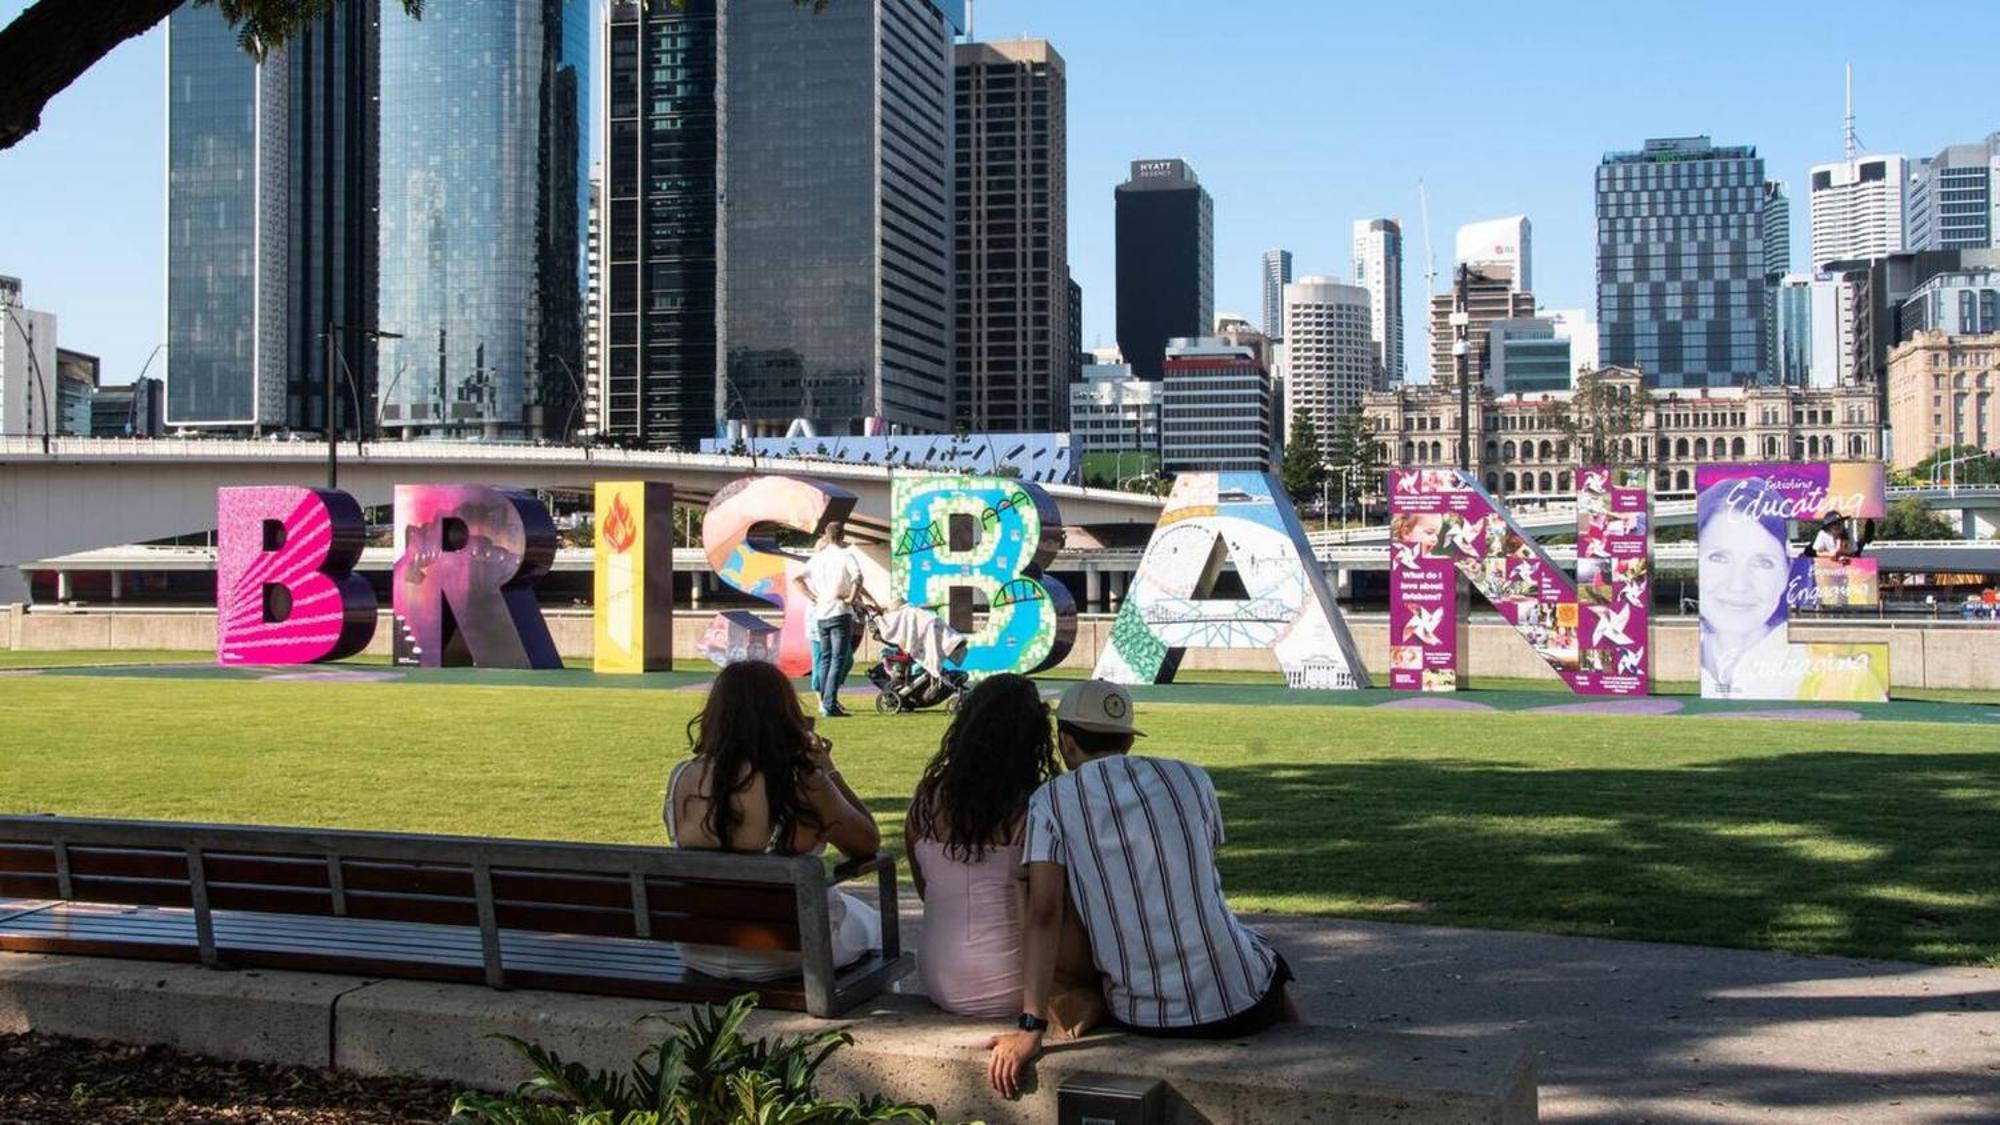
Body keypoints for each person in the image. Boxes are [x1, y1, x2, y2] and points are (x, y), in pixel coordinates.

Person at [986, 680, 1296, 1098]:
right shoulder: (1193, 779)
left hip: (1141, 1012)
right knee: (1269, 969)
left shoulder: (1050, 802)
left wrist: (1030, 1027)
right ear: (1129, 740)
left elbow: (1044, 913)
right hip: (1236, 1000)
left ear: (1066, 742)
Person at [663, 660, 882, 981]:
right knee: (871, 922)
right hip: (787, 949)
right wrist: (829, 771)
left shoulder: (682, 777)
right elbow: (866, 842)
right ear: (784, 712)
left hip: (701, 947)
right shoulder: (801, 780)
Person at [906, 674, 1066, 1019]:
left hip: (938, 979)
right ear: (1034, 737)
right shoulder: (1036, 808)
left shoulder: (926, 799)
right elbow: (1047, 912)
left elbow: (926, 888)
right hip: (1016, 989)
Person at [1696, 478, 1798, 698]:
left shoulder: (1845, 679)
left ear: (1786, 573)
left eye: (1763, 562)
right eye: (1719, 558)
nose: (1738, 585)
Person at [794, 521, 875, 717]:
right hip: (840, 611)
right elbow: (858, 577)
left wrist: (814, 598)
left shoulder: (818, 558)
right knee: (838, 660)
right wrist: (850, 598)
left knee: (825, 659)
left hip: (821, 612)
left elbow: (798, 578)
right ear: (842, 535)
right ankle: (830, 703)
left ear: (827, 535)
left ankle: (825, 701)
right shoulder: (845, 555)